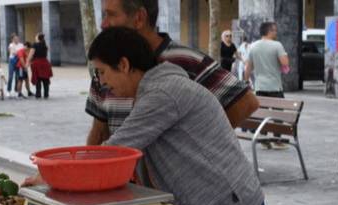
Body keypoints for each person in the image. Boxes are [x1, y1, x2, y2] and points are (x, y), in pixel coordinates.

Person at [89, 27, 272, 205]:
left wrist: (55, 174)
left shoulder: (163, 93)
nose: (102, 84)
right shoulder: (155, 87)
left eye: (102, 73)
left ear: (124, 65)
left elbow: (118, 150)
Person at [83, 0, 258, 145]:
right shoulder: (106, 68)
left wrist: (200, 146)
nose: (103, 23)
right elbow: (99, 131)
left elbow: (246, 103)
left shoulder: (187, 61)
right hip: (126, 183)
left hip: (176, 186)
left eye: (111, 14)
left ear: (139, 18)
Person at [245, 22, 289, 99]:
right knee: (277, 111)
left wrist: (246, 81)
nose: (276, 33)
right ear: (269, 31)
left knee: (262, 110)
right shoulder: (277, 45)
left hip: (259, 87)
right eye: (275, 30)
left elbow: (248, 68)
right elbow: (285, 63)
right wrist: (285, 54)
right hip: (274, 87)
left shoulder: (253, 46)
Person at [28, 33, 53, 99]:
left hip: (37, 63)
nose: (35, 37)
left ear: (38, 38)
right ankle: (46, 94)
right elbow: (47, 51)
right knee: (45, 79)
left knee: (38, 79)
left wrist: (27, 62)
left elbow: (31, 54)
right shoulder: (45, 45)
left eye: (36, 36)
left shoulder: (35, 45)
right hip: (45, 62)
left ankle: (38, 94)